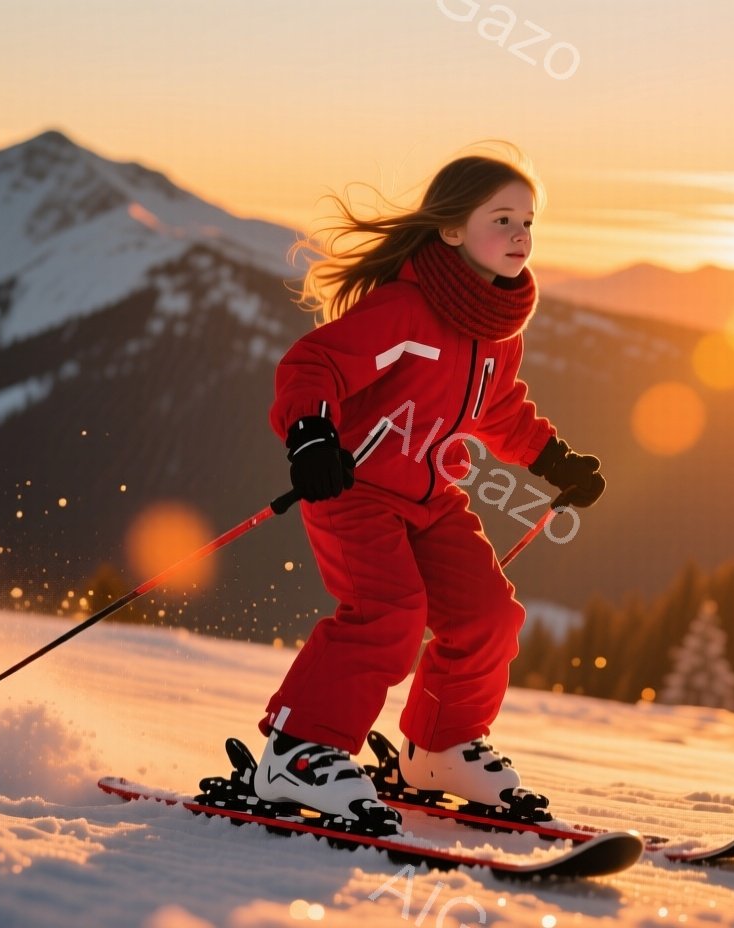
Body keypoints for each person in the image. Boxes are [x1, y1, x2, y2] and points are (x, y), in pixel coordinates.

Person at [253, 147, 606, 830]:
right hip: (354, 489)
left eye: (528, 221)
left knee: (488, 618)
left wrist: (555, 460)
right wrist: (312, 436)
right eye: (501, 219)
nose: (520, 234)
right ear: (451, 229)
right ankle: (297, 752)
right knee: (389, 615)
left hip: (432, 498)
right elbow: (314, 364)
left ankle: (437, 750)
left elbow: (498, 409)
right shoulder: (407, 310)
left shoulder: (497, 327)